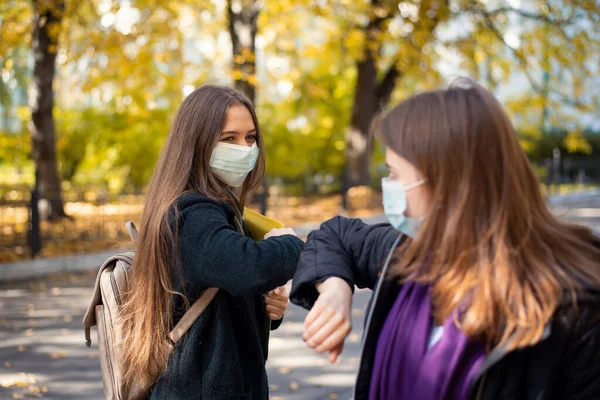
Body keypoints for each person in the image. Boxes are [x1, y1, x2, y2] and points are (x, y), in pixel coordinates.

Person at [290, 78, 600, 400]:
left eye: (395, 175)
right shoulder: (411, 254)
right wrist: (335, 289)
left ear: (448, 183)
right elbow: (335, 235)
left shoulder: (574, 311)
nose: (388, 187)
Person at [119, 85, 303, 399]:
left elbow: (216, 296)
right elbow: (250, 268)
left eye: (251, 137)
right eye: (229, 138)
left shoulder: (206, 209)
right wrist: (291, 244)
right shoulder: (192, 215)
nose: (244, 149)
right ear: (197, 143)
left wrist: (267, 308)